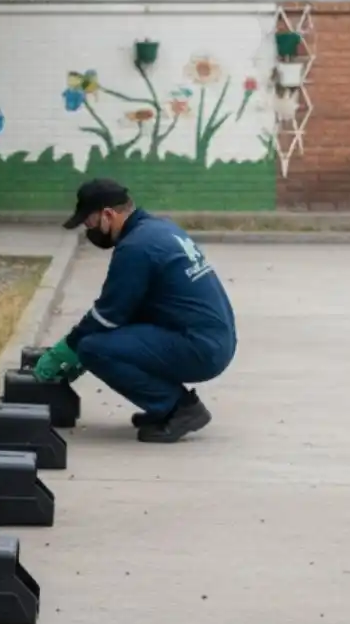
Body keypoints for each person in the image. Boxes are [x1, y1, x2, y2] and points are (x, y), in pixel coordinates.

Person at [34, 179, 237, 443]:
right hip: (213, 339)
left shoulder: (136, 247)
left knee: (93, 348)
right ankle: (164, 407)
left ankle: (179, 407)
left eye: (90, 223)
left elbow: (108, 315)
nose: (90, 230)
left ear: (108, 214)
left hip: (200, 347)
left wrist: (67, 350)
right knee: (100, 342)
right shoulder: (158, 229)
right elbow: (128, 310)